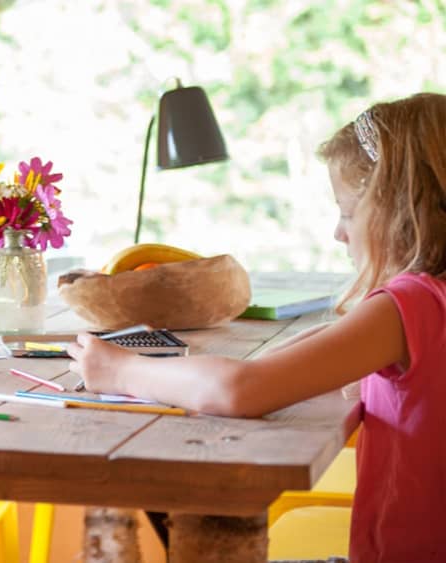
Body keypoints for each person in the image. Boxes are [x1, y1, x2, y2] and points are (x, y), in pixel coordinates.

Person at [68, 92, 446, 562]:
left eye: (348, 211)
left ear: (403, 211)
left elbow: (240, 390)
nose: (339, 232)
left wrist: (120, 370)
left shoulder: (409, 304)